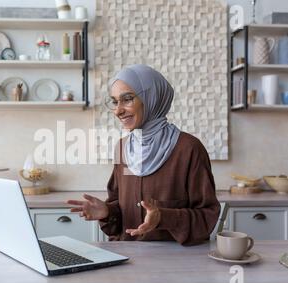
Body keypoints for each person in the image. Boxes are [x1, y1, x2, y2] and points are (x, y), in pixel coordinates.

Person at [67, 64, 220, 246]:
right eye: (115, 102)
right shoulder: (123, 148)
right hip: (127, 259)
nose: (118, 111)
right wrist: (108, 212)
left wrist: (164, 217)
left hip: (176, 262)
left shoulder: (188, 149)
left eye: (127, 99)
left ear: (151, 98)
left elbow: (207, 217)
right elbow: (121, 206)